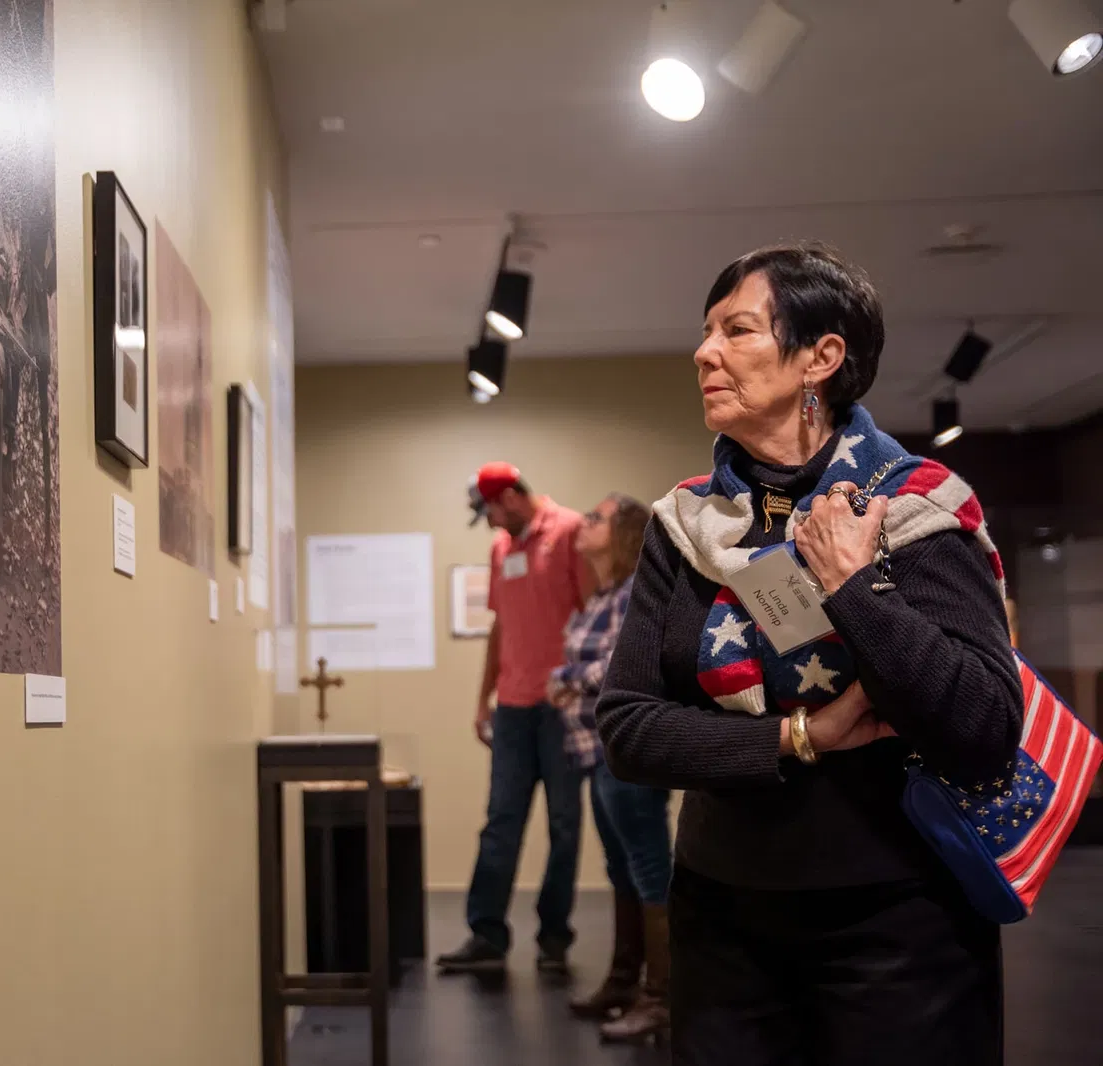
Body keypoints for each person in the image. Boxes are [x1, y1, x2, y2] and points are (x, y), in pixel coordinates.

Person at [597, 242, 1021, 1063]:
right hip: (722, 919)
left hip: (902, 925)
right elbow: (627, 729)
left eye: (736, 330)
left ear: (820, 357)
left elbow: (983, 728)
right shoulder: (684, 525)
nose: (704, 353)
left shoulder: (918, 507)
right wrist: (801, 737)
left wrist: (852, 585)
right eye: (706, 332)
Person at [437, 462, 586, 974]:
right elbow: (500, 627)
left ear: (511, 497)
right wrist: (484, 699)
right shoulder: (501, 549)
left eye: (492, 513)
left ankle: (554, 936)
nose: (492, 524)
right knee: (501, 820)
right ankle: (486, 934)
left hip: (563, 706)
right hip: (514, 709)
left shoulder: (570, 531)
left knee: (564, 823)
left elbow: (592, 613)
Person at [549, 493, 674, 1043]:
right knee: (621, 867)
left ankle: (662, 997)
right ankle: (625, 982)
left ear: (623, 533)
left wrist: (567, 678)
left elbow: (622, 664)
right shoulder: (602, 595)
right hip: (596, 751)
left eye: (595, 518)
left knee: (648, 867)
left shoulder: (633, 593)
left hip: (627, 751)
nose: (584, 523)